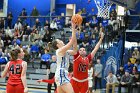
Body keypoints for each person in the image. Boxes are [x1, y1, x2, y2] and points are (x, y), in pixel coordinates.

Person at [51, 22, 77, 93]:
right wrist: (73, 30)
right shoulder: (59, 51)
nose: (61, 41)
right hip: (61, 73)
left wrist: (74, 41)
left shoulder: (65, 51)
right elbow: (70, 44)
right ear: (57, 45)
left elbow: (75, 51)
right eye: (59, 41)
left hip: (61, 74)